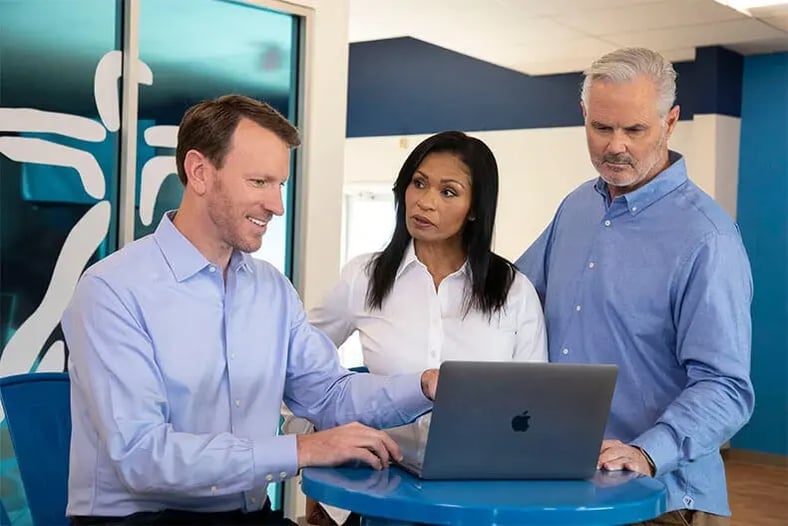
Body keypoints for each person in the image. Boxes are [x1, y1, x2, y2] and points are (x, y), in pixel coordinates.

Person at [61, 95, 439, 526]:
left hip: (247, 514)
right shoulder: (112, 290)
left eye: (280, 185)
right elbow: (143, 457)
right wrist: (303, 450)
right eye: (260, 182)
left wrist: (425, 386)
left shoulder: (271, 289)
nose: (277, 205)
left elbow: (329, 394)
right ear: (200, 172)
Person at [516, 48, 754, 526]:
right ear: (584, 115)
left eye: (635, 130)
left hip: (657, 495)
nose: (615, 146)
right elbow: (514, 297)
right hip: (566, 479)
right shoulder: (576, 207)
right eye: (601, 128)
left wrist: (647, 452)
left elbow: (726, 387)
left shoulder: (707, 237)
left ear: (670, 122)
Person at [305, 131, 547, 525]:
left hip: (474, 501)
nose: (425, 201)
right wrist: (314, 436)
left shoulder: (513, 291)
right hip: (376, 495)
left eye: (448, 192)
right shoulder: (363, 278)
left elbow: (534, 405)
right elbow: (303, 362)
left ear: (474, 209)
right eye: (419, 183)